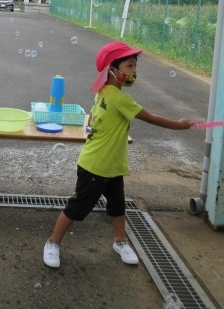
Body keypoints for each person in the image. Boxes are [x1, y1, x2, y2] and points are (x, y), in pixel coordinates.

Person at [43, 41, 192, 268]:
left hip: (112, 165)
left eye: (134, 66)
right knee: (77, 207)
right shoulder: (119, 98)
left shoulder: (104, 91)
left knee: (117, 206)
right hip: (95, 165)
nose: (134, 72)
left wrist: (90, 125)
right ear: (112, 70)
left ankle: (120, 242)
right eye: (129, 66)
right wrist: (179, 126)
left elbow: (92, 113)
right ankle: (53, 242)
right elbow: (150, 117)